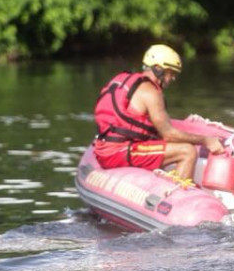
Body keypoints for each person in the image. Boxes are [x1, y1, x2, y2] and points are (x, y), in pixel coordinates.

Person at [92, 44, 224, 180]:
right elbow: (169, 135)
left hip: (104, 148)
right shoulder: (152, 92)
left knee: (160, 144)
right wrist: (206, 140)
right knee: (187, 151)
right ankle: (177, 196)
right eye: (170, 73)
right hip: (119, 152)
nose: (172, 78)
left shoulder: (125, 80)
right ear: (158, 69)